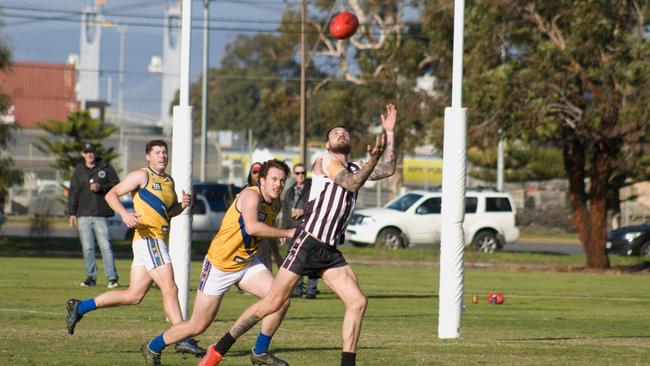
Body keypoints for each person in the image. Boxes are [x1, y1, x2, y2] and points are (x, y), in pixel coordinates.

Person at [199, 103, 397, 366]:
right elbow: (351, 183)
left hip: (329, 249)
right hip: (308, 242)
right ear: (327, 143)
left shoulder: (357, 167)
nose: (341, 134)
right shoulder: (325, 161)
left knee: (358, 302)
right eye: (335, 132)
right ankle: (219, 350)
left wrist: (391, 134)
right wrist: (373, 160)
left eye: (345, 133)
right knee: (272, 302)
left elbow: (389, 168)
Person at [140, 159, 295, 366]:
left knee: (281, 300)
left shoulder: (274, 202)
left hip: (247, 263)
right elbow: (252, 227)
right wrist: (287, 232)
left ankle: (260, 351)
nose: (278, 184)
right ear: (263, 180)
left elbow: (267, 228)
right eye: (274, 179)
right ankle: (153, 345)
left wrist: (276, 256)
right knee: (198, 324)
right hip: (220, 265)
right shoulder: (251, 196)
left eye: (282, 181)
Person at [65, 139, 205, 357]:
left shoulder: (169, 181)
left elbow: (168, 213)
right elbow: (112, 194)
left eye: (164, 152)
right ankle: (182, 338)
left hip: (152, 241)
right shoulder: (142, 175)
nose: (162, 156)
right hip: (150, 239)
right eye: (157, 152)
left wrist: (182, 206)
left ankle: (79, 307)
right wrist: (124, 214)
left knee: (133, 295)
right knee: (170, 288)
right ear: (148, 157)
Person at [68, 142, 120, 288]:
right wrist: (72, 213)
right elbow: (73, 192)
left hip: (100, 213)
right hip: (83, 214)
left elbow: (117, 184)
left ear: (95, 153)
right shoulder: (79, 170)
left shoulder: (105, 167)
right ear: (82, 154)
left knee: (105, 246)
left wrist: (101, 187)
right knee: (88, 248)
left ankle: (112, 278)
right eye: (86, 152)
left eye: (91, 152)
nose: (89, 154)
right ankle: (91, 277)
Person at [281, 163, 317, 299]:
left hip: (308, 227)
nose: (300, 175)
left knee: (312, 259)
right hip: (293, 229)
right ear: (294, 174)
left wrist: (303, 210)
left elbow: (317, 206)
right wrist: (283, 232)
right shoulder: (289, 191)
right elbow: (285, 213)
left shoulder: (312, 189)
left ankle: (311, 290)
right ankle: (297, 289)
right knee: (296, 260)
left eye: (302, 173)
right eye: (297, 173)